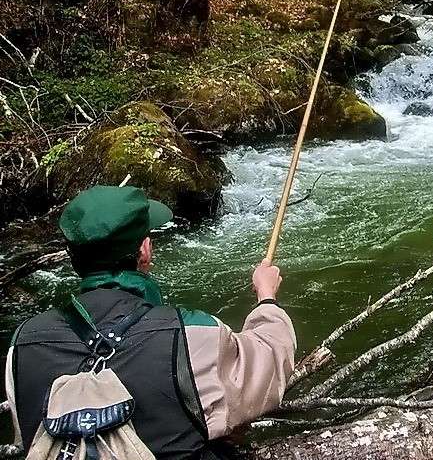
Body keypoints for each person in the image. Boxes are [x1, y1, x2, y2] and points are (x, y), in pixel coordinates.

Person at [4, 185, 296, 459]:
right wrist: (266, 296)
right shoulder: (190, 333)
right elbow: (269, 358)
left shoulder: (22, 344)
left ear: (73, 258)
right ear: (144, 250)